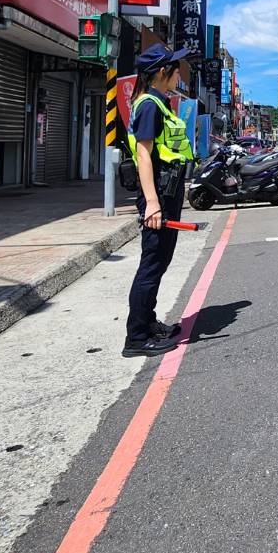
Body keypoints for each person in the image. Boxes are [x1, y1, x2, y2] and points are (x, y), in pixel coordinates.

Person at [123, 43, 196, 357]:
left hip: (168, 191)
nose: (179, 72)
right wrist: (152, 202)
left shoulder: (159, 102)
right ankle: (137, 338)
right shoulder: (150, 104)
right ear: (163, 72)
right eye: (175, 67)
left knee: (160, 261)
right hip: (159, 195)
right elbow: (143, 153)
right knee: (151, 264)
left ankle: (148, 321)